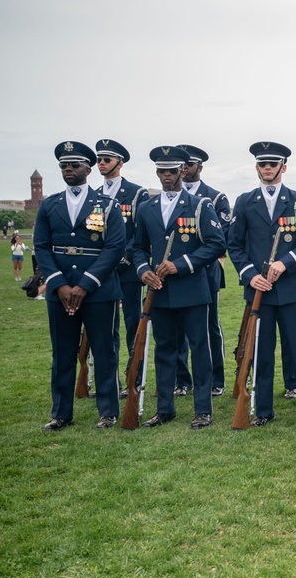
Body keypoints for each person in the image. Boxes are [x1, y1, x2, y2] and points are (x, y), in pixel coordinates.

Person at [227, 142, 296, 428]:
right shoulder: (245, 201)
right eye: (262, 164)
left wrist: (287, 262)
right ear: (256, 168)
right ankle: (263, 410)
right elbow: (234, 245)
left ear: (283, 167)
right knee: (261, 351)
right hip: (259, 289)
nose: (267, 169)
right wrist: (248, 274)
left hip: (292, 289)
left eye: (272, 164)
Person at [34, 141, 125, 430]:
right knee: (62, 352)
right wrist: (58, 284)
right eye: (64, 165)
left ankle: (108, 411)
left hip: (98, 290)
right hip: (59, 292)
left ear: (88, 168)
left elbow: (114, 248)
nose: (68, 169)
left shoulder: (107, 205)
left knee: (104, 350)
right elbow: (41, 246)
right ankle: (61, 413)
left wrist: (85, 284)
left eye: (74, 165)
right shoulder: (49, 204)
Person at [133, 146, 226, 429]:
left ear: (182, 171)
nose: (167, 176)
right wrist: (143, 270)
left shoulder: (200, 205)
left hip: (192, 290)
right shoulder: (146, 207)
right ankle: (165, 409)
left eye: (172, 171)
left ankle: (202, 409)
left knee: (199, 348)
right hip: (159, 290)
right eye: (162, 171)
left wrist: (182, 264)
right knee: (164, 350)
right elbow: (137, 247)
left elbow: (216, 244)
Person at [172, 144, 231, 398]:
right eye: (181, 165)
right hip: (175, 273)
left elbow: (224, 234)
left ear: (200, 167)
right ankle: (181, 380)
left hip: (206, 271)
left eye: (190, 165)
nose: (184, 170)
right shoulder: (169, 195)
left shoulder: (216, 198)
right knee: (176, 329)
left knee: (208, 327)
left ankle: (216, 379)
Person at [94, 139, 149, 396]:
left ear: (120, 163)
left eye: (107, 159)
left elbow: (139, 233)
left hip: (128, 272)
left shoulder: (137, 194)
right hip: (101, 273)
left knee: (132, 325)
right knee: (105, 329)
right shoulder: (94, 195)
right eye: (99, 159)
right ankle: (109, 381)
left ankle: (133, 379)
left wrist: (121, 259)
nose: (101, 164)